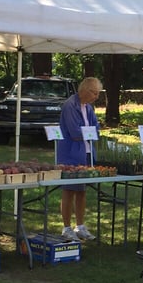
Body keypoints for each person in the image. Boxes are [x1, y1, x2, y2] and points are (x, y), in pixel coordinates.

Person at [57, 76, 102, 242]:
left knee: (81, 190)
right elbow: (75, 133)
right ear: (85, 90)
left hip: (86, 153)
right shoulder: (70, 105)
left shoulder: (88, 107)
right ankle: (66, 227)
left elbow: (96, 129)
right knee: (69, 190)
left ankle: (80, 226)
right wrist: (89, 131)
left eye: (98, 94)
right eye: (95, 93)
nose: (96, 97)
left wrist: (90, 131)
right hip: (70, 154)